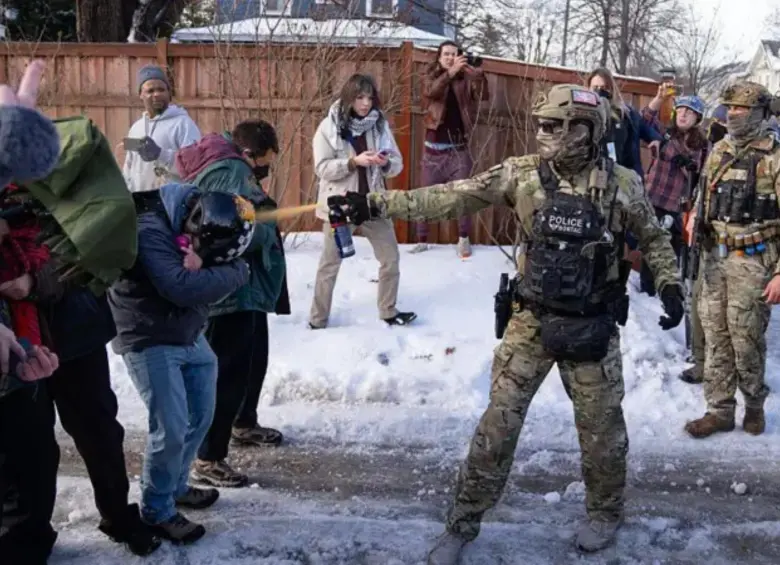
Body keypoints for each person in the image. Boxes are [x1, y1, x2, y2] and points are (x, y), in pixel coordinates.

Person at [328, 83, 683, 562]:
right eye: (543, 125)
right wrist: (375, 204)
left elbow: (654, 240)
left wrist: (669, 285)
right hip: (531, 323)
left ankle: (604, 512)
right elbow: (449, 198)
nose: (547, 134)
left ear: (587, 130)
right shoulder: (521, 175)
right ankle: (461, 523)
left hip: (592, 327)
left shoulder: (622, 184)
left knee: (602, 432)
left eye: (558, 127)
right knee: (497, 427)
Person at [107, 186, 251, 543]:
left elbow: (218, 268)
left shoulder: (200, 211)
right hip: (147, 335)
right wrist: (238, 270)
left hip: (186, 330)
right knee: (170, 427)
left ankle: (174, 485)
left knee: (201, 414)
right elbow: (181, 286)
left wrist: (217, 264)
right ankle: (157, 510)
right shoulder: (148, 229)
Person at [175, 119, 290, 487]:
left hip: (245, 287)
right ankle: (207, 456)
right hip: (229, 294)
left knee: (252, 359)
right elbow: (225, 228)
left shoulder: (232, 167)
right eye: (264, 162)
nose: (265, 170)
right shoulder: (230, 172)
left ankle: (243, 421)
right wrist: (268, 226)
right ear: (248, 154)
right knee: (226, 371)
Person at [684, 81, 780, 439]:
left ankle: (754, 405)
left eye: (740, 108)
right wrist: (695, 217)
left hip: (754, 260)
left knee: (746, 339)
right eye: (729, 107)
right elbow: (703, 194)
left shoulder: (774, 156)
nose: (732, 113)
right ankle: (719, 409)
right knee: (716, 336)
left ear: (758, 113)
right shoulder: (719, 149)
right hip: (714, 259)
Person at [0, 59, 63, 565]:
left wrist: (19, 347)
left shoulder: (25, 205)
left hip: (17, 365)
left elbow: (54, 261)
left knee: (35, 464)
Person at [308, 73, 416, 329]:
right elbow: (322, 167)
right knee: (329, 265)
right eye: (359, 97)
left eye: (369, 97)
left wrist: (385, 162)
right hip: (340, 207)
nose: (365, 103)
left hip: (372, 204)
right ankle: (317, 320)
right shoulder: (329, 126)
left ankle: (388, 311)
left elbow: (396, 165)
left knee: (390, 259)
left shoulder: (379, 126)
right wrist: (352, 162)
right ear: (349, 99)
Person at [411, 40, 490, 258]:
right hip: (433, 151)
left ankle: (463, 239)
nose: (449, 57)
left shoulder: (465, 78)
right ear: (439, 57)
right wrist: (450, 73)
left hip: (458, 150)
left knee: (463, 196)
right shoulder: (431, 75)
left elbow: (483, 96)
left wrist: (478, 75)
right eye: (446, 54)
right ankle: (421, 240)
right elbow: (431, 92)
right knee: (425, 197)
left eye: (453, 54)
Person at [123, 65, 201, 194]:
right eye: (150, 91)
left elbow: (195, 168)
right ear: (141, 95)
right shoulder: (136, 128)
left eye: (161, 89)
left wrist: (161, 154)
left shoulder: (184, 124)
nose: (157, 94)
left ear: (169, 94)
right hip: (139, 202)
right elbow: (129, 166)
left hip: (171, 204)